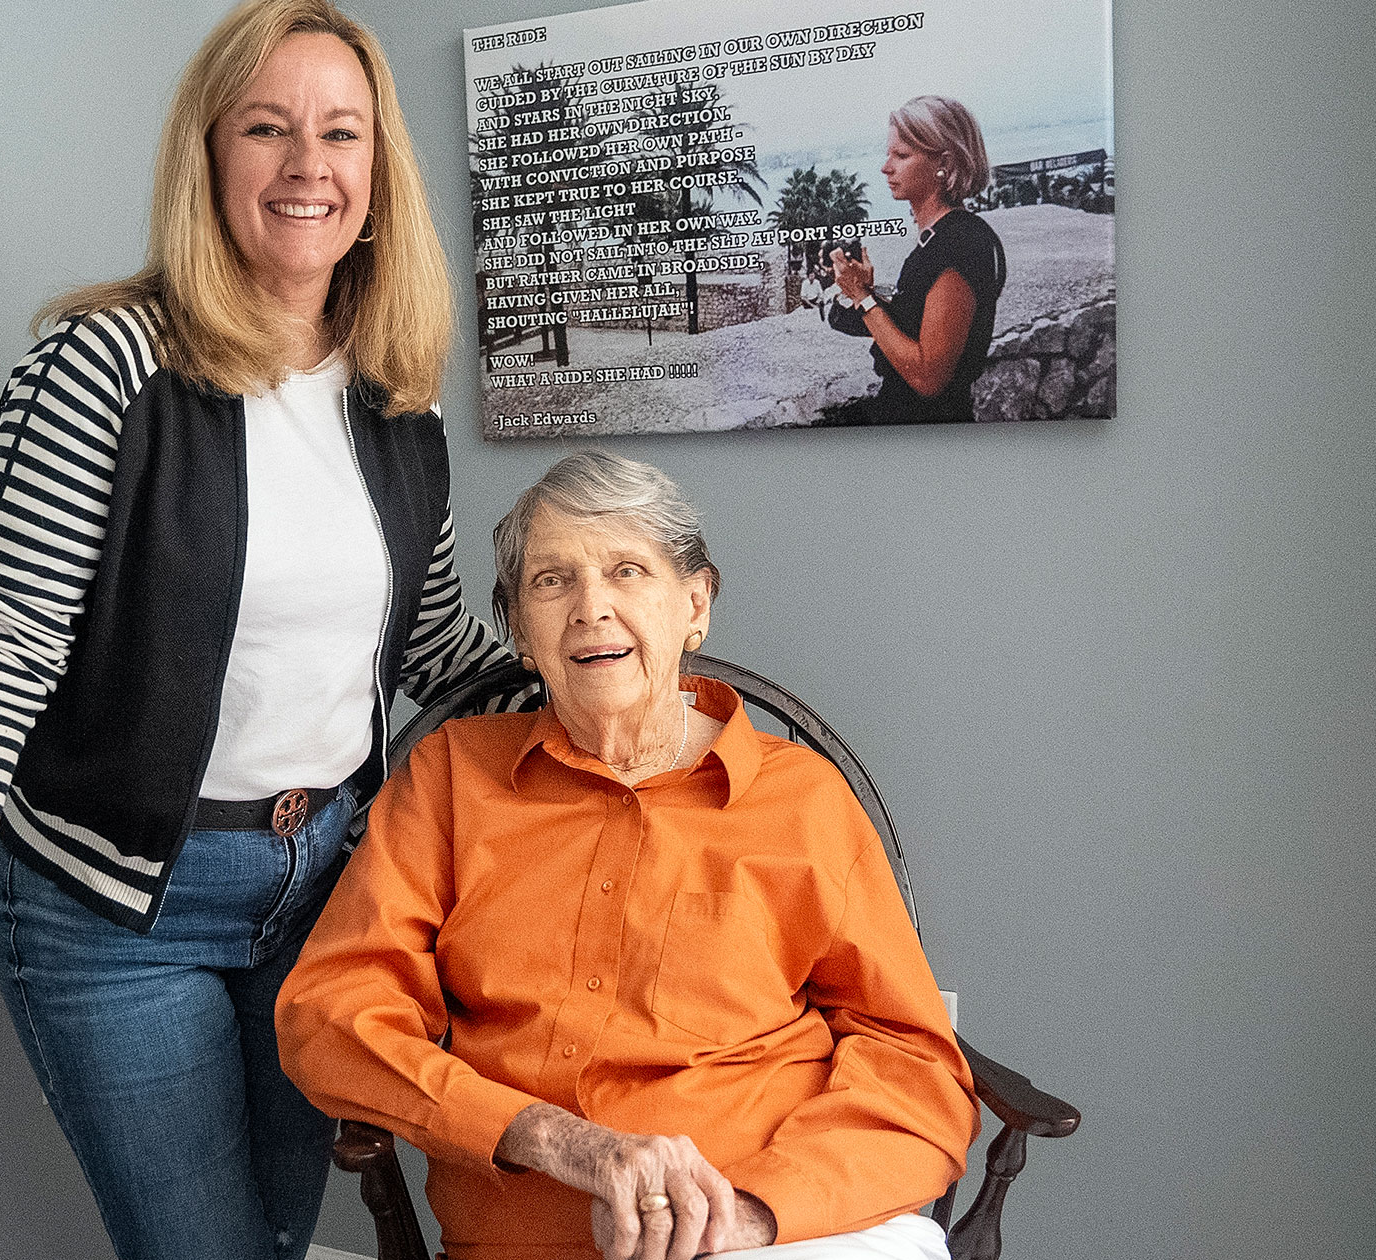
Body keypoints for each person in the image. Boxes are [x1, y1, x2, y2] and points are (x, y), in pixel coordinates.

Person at [0, 3, 510, 1257]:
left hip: (328, 890)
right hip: (118, 915)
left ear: (377, 171)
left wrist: (621, 699)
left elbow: (430, 650)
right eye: (267, 128)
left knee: (266, 1240)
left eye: (339, 133)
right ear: (208, 157)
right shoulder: (104, 366)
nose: (307, 165)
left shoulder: (393, 399)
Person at [276, 451, 978, 1260]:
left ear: (694, 603)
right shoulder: (451, 778)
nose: (590, 608)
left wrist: (741, 1213)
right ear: (517, 628)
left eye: (627, 570)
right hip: (529, 1232)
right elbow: (333, 1014)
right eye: (551, 581)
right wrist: (550, 1137)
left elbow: (914, 1064)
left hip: (775, 1230)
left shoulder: (803, 800)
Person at [829, 96, 1007, 423]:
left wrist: (861, 297)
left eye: (901, 155)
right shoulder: (949, 238)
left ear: (945, 164)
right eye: (888, 154)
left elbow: (928, 377)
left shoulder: (958, 245)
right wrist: (867, 294)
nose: (886, 167)